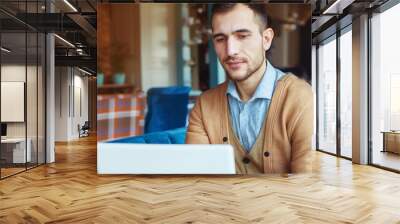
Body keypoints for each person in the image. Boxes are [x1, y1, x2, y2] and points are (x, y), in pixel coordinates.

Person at [185, 3, 314, 174]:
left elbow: (306, 182)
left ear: (266, 39)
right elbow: (195, 176)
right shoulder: (205, 105)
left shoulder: (301, 96)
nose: (230, 51)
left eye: (242, 36)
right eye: (220, 39)